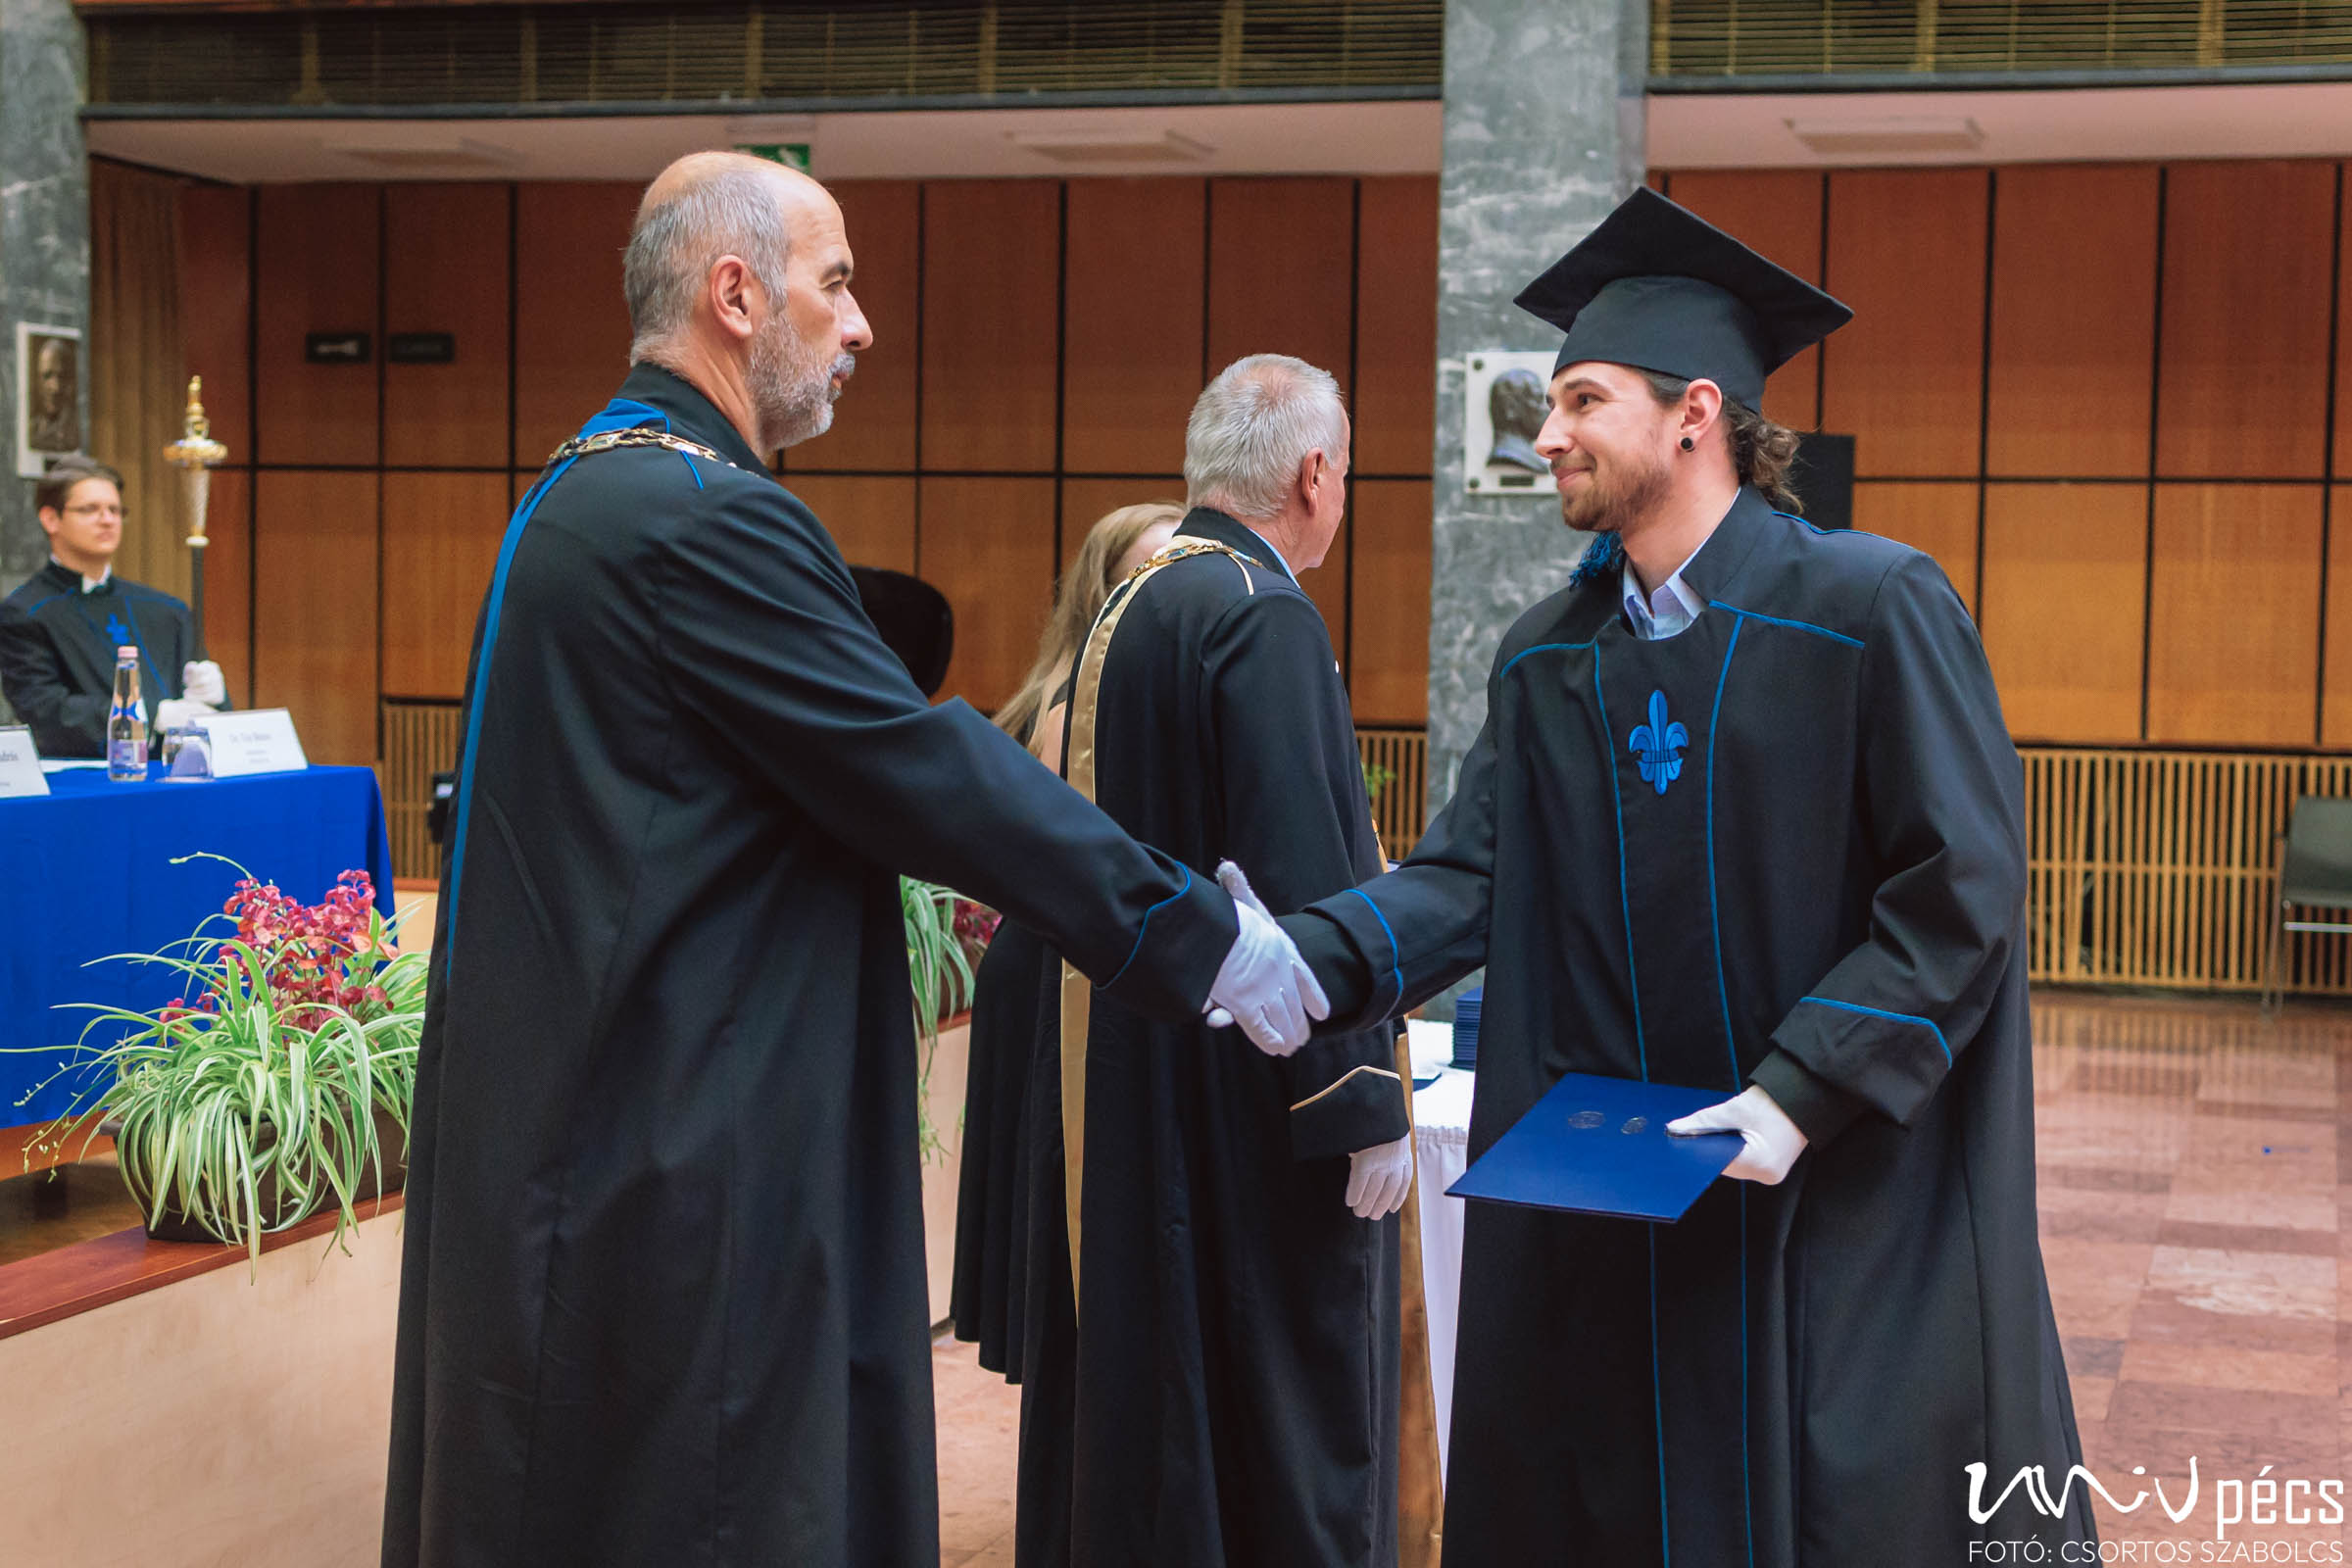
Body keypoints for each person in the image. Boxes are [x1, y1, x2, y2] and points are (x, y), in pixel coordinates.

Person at [380, 154, 1324, 1568]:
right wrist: (1201, 937)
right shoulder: (702, 516)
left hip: (588, 1123)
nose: (863, 324)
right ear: (737, 294)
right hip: (684, 1153)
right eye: (837, 283)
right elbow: (926, 770)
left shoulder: (578, 491)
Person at [1275, 188, 2093, 1564]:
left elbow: (1961, 886)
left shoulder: (1868, 610)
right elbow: (1469, 875)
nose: (1546, 436)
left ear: (1695, 413)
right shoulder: (1549, 654)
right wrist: (1297, 954)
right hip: (1618, 1212)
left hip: (1819, 1192)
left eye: (1581, 401)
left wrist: (1798, 1090)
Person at [1017, 356, 1430, 1568]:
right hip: (1261, 1084)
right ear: (1314, 475)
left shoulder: (1136, 601)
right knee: (1287, 1398)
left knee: (1177, 1388)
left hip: (1152, 1060)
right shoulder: (1261, 610)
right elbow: (1310, 876)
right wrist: (1364, 1096)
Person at [952, 500, 1182, 1381]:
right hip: (1054, 970)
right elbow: (1083, 870)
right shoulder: (1073, 704)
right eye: (1146, 572)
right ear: (1103, 590)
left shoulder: (1111, 689)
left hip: (1070, 962)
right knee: (1062, 1225)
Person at [0, 456, 226, 758]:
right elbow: (45, 710)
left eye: (115, 510)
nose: (107, 520)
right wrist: (150, 715)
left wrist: (215, 697)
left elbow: (203, 715)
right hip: (89, 775)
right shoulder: (26, 612)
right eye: (89, 509)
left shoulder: (167, 610)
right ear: (51, 519)